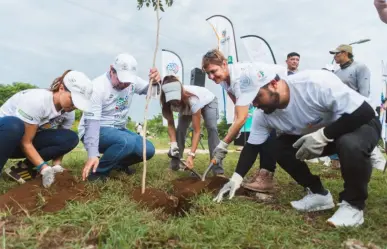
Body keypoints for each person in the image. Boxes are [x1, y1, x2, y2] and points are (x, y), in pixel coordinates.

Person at [213, 69, 380, 227]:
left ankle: (353, 206)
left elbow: (365, 112)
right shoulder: (262, 115)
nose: (255, 104)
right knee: (278, 146)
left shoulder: (313, 83)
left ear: (273, 84)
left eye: (257, 97)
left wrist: (324, 135)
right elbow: (252, 146)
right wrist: (236, 178)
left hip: (358, 123)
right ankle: (319, 194)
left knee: (350, 143)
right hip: (320, 134)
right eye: (250, 101)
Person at [202, 49, 287, 193]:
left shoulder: (240, 79)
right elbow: (238, 108)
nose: (211, 76)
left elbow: (242, 117)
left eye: (213, 71)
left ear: (224, 64)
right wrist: (235, 130)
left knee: (268, 131)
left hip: (281, 87)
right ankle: (261, 174)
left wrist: (224, 144)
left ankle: (266, 176)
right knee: (258, 131)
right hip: (264, 97)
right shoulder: (224, 81)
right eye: (208, 73)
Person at [0, 70, 93, 187]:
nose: (74, 106)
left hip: (22, 142)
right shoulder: (37, 101)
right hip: (5, 137)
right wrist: (43, 168)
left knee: (70, 137)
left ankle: (22, 169)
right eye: (72, 100)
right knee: (13, 125)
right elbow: (25, 142)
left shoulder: (68, 112)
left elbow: (61, 142)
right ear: (61, 88)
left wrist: (56, 165)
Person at [79, 53, 161, 181]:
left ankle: (117, 165)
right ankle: (97, 174)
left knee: (148, 149)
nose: (125, 85)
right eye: (122, 80)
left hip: (119, 129)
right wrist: (92, 154)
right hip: (95, 130)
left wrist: (156, 82)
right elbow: (92, 124)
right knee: (126, 142)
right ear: (112, 70)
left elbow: (152, 92)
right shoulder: (97, 87)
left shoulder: (132, 82)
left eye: (128, 82)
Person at [329, 44, 385, 171]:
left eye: (337, 53)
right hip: (340, 110)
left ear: (345, 53)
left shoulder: (360, 67)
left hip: (356, 109)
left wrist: (359, 112)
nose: (335, 56)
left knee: (360, 138)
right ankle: (339, 163)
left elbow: (364, 92)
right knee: (342, 137)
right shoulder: (337, 72)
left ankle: (379, 163)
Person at [161, 75, 223, 174]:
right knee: (180, 130)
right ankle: (175, 165)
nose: (175, 102)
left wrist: (191, 155)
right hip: (186, 107)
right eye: (172, 100)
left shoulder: (193, 99)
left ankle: (217, 169)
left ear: (181, 92)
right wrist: (173, 144)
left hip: (207, 102)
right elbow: (170, 125)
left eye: (176, 98)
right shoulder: (166, 103)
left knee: (212, 128)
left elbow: (197, 131)